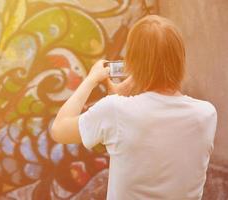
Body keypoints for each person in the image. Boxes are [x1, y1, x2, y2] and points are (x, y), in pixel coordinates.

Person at [51, 15, 217, 200]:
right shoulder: (206, 114)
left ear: (132, 61)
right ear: (179, 58)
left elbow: (59, 130)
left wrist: (91, 80)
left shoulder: (115, 110)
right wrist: (127, 89)